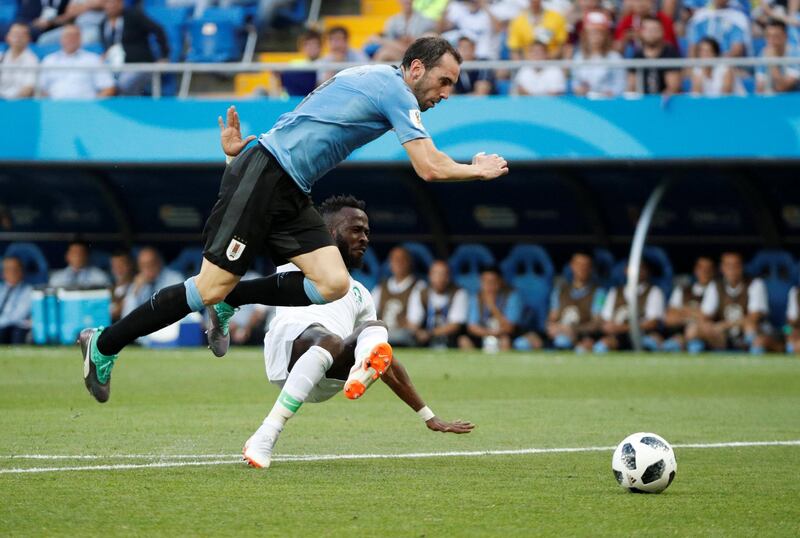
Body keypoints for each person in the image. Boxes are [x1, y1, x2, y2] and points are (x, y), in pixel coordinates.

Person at [79, 36, 509, 404]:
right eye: (444, 81)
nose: (447, 92)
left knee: (333, 283)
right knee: (208, 286)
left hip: (287, 184)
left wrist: (240, 157)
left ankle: (231, 301)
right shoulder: (394, 89)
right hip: (266, 175)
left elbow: (306, 119)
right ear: (416, 68)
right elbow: (429, 167)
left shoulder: (371, 76)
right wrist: (478, 169)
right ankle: (104, 343)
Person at [243, 194, 473, 468]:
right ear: (330, 232)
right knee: (329, 339)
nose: (364, 238)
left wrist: (428, 416)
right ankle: (266, 435)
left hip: (327, 377)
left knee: (375, 328)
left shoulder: (361, 294)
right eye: (355, 230)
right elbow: (265, 210)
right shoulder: (299, 261)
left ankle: (359, 371)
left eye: (366, 232)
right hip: (287, 354)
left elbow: (386, 363)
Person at [692, 252, 771, 353]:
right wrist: (711, 329)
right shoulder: (715, 285)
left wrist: (723, 325)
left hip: (749, 334)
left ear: (742, 267)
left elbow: (753, 318)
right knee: (695, 329)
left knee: (750, 326)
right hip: (724, 336)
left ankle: (752, 351)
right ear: (722, 268)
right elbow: (704, 316)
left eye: (736, 265)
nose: (732, 270)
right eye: (728, 265)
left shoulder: (755, 284)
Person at [99, 0, 169, 96]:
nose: (111, 6)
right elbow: (108, 46)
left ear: (121, 4)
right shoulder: (103, 23)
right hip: (117, 65)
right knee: (102, 82)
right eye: (108, 3)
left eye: (114, 2)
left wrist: (164, 56)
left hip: (139, 64)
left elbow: (158, 30)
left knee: (122, 85)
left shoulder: (134, 16)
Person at [595, 261, 665, 352]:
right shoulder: (615, 292)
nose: (637, 271)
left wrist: (622, 328)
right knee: (601, 347)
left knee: (652, 343)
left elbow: (652, 323)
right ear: (626, 270)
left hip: (644, 336)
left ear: (647, 271)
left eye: (641, 268)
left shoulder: (654, 291)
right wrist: (614, 328)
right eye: (633, 268)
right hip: (617, 337)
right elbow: (606, 321)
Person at [38, 24, 116, 99]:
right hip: (54, 107)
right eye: (68, 36)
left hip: (86, 108)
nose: (71, 39)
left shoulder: (93, 59)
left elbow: (108, 88)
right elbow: (40, 89)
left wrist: (93, 106)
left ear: (80, 39)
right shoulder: (48, 60)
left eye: (75, 36)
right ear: (61, 39)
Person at [547, 252, 604, 352]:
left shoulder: (599, 293)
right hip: (560, 337)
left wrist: (575, 330)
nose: (581, 269)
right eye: (578, 264)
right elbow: (552, 318)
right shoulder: (559, 291)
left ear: (591, 269)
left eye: (585, 265)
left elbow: (597, 323)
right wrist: (553, 328)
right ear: (572, 266)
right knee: (560, 341)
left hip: (584, 338)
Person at [372, 246, 427, 347]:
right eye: (394, 260)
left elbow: (414, 323)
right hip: (382, 333)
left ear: (409, 262)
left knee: (402, 335)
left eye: (402, 260)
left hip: (403, 334)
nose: (398, 264)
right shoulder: (381, 286)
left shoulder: (418, 286)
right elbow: (369, 314)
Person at [459, 266, 524, 351]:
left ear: (500, 281)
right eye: (485, 281)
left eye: (492, 281)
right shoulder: (475, 298)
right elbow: (472, 327)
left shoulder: (511, 297)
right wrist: (490, 333)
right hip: (483, 334)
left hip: (504, 334)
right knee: (463, 340)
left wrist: (492, 307)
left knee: (505, 340)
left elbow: (509, 328)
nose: (489, 285)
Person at [408, 260, 469, 348]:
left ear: (449, 276)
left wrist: (430, 333)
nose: (440, 278)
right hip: (424, 340)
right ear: (430, 275)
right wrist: (419, 333)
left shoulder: (459, 293)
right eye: (436, 274)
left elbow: (456, 325)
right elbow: (412, 322)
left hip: (450, 340)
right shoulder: (420, 292)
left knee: (464, 341)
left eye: (444, 274)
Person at [663, 256, 715, 352]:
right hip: (680, 333)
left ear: (713, 271)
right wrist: (695, 313)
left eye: (708, 269)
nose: (704, 272)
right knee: (672, 343)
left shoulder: (715, 289)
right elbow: (669, 318)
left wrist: (682, 310)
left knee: (695, 340)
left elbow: (705, 317)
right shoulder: (682, 290)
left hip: (704, 338)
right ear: (695, 270)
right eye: (701, 268)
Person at [571, 10, 626, 97]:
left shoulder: (614, 57)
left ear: (605, 36)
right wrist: (579, 89)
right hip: (585, 103)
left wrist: (610, 93)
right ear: (585, 35)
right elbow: (575, 82)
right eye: (591, 33)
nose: (595, 37)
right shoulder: (579, 56)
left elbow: (620, 84)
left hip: (608, 103)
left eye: (599, 33)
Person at [121, 247, 183, 318]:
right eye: (143, 266)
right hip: (145, 327)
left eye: (151, 264)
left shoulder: (175, 279)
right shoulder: (137, 284)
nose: (148, 269)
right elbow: (126, 316)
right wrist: (135, 291)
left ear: (159, 262)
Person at [625, 16, 682, 95]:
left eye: (655, 29)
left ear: (662, 32)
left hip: (664, 104)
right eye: (647, 29)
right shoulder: (637, 55)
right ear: (641, 32)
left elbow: (673, 88)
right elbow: (631, 86)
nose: (651, 33)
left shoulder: (670, 53)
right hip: (642, 103)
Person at [371, 0, 437, 62]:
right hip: (400, 54)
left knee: (431, 36)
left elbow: (430, 41)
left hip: (419, 54)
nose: (407, 1)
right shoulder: (392, 21)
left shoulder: (425, 21)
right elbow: (388, 41)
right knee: (383, 53)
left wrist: (382, 40)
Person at [687, 0, 751, 58]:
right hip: (701, 65)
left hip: (727, 66)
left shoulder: (738, 19)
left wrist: (718, 64)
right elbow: (692, 48)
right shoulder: (700, 18)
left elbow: (737, 50)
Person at [756, 19, 800, 94]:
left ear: (785, 36)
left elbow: (782, 87)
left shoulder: (796, 54)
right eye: (768, 36)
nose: (771, 40)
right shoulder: (763, 54)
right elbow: (759, 89)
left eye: (776, 36)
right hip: (774, 100)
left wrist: (772, 62)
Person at [0, 24, 39, 100]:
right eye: (15, 34)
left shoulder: (32, 60)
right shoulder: (1, 57)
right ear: (7, 37)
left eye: (22, 35)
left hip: (19, 103)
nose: (18, 38)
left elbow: (28, 88)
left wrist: (11, 103)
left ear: (28, 39)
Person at [279, 29, 322, 97]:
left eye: (314, 44)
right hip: (293, 96)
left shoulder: (326, 63)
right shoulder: (295, 63)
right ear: (302, 47)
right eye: (308, 44)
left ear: (320, 47)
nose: (311, 48)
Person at [0, 257, 33, 344]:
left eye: (15, 269)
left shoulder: (28, 290)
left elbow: (18, 316)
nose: (12, 272)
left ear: (22, 271)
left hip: (17, 327)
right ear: (3, 272)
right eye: (8, 269)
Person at [109, 249, 134, 322]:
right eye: (115, 266)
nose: (118, 269)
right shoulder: (109, 289)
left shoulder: (138, 285)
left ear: (130, 265)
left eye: (122, 265)